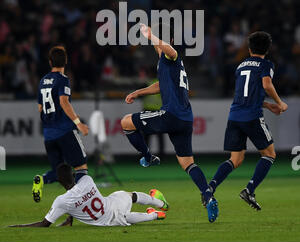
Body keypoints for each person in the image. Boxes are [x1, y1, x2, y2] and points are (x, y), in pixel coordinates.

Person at [121, 23, 219, 223]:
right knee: (187, 162)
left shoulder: (171, 56)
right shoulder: (166, 64)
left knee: (125, 122)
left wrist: (151, 36)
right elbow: (160, 85)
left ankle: (148, 158)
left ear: (166, 40)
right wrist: (138, 92)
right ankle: (208, 197)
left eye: (158, 39)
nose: (156, 44)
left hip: (172, 115)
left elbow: (171, 51)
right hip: (185, 119)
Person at [207, 31, 288, 210]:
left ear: (249, 49)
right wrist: (279, 103)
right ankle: (249, 189)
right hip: (252, 116)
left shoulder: (241, 65)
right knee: (269, 154)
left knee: (235, 159)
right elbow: (266, 85)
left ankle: (210, 187)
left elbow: (246, 94)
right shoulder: (266, 64)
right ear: (267, 49)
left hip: (235, 115)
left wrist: (267, 106)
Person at [11, 164, 168, 227]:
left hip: (105, 220)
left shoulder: (62, 202)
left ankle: (154, 215)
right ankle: (160, 203)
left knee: (123, 217)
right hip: (111, 204)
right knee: (129, 195)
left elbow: (44, 224)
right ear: (73, 175)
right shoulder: (87, 180)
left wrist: (18, 226)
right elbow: (80, 190)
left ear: (59, 181)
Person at [32, 46, 89, 203]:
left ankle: (42, 179)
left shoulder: (43, 81)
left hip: (49, 135)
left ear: (50, 62)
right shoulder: (63, 79)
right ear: (66, 61)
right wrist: (79, 123)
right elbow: (64, 102)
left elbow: (40, 108)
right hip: (65, 131)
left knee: (61, 173)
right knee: (81, 167)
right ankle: (83, 205)